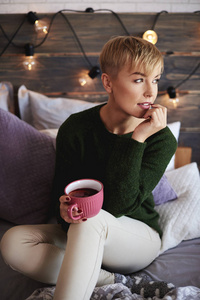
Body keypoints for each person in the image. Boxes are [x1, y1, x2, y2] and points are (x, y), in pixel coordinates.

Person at [0, 36, 177, 300]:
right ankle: (113, 281)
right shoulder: (76, 128)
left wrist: (137, 139)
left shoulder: (160, 139)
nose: (151, 92)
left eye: (155, 79)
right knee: (13, 242)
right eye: (139, 79)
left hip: (137, 237)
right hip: (82, 230)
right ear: (108, 82)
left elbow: (118, 206)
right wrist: (64, 211)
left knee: (90, 219)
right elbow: (63, 194)